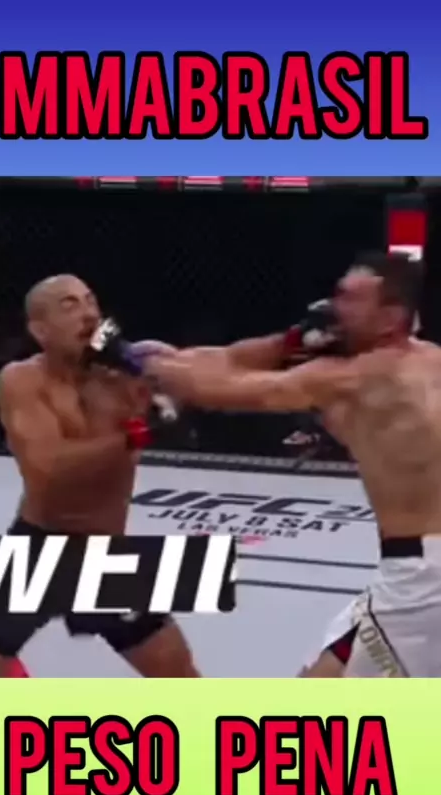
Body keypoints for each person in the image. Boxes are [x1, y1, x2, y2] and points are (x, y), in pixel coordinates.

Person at [144, 252, 441, 677]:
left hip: (421, 580)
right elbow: (229, 360)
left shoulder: (355, 376)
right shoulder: (427, 358)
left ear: (390, 317)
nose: (335, 306)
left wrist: (136, 362)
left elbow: (225, 390)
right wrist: (286, 342)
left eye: (351, 299)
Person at [0, 274, 199, 678]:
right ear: (40, 330)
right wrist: (136, 435)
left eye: (90, 301)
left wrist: (285, 350)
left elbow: (211, 371)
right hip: (40, 551)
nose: (87, 313)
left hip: (105, 555)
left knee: (180, 678)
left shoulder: (126, 374)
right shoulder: (22, 380)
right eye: (69, 305)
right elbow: (47, 468)